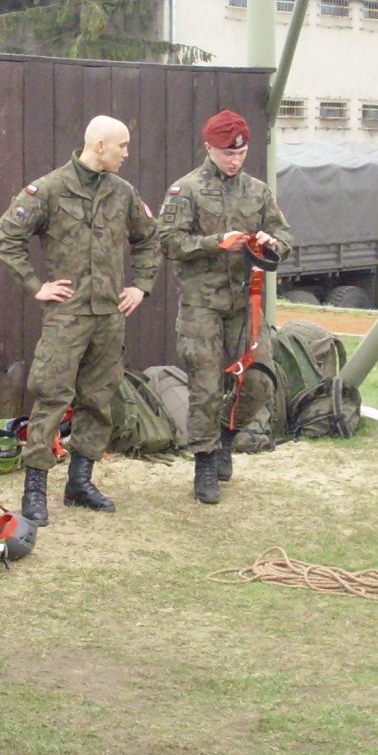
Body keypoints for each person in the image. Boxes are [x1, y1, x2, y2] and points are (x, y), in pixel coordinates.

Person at [0, 116, 160, 522]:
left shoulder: (123, 193)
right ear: (99, 145)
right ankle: (35, 488)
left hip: (109, 317)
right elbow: (6, 237)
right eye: (122, 145)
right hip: (67, 317)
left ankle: (80, 482)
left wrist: (141, 286)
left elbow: (149, 237)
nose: (126, 153)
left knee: (98, 400)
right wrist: (35, 285)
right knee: (51, 397)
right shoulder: (50, 189)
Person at [157, 109, 288, 505]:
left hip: (245, 303)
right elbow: (167, 241)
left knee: (260, 379)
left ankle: (226, 438)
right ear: (209, 148)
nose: (235, 159)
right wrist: (215, 242)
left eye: (241, 153)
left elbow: (283, 233)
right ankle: (205, 461)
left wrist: (273, 242)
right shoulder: (186, 190)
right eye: (228, 153)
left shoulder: (258, 191)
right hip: (202, 305)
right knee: (205, 387)